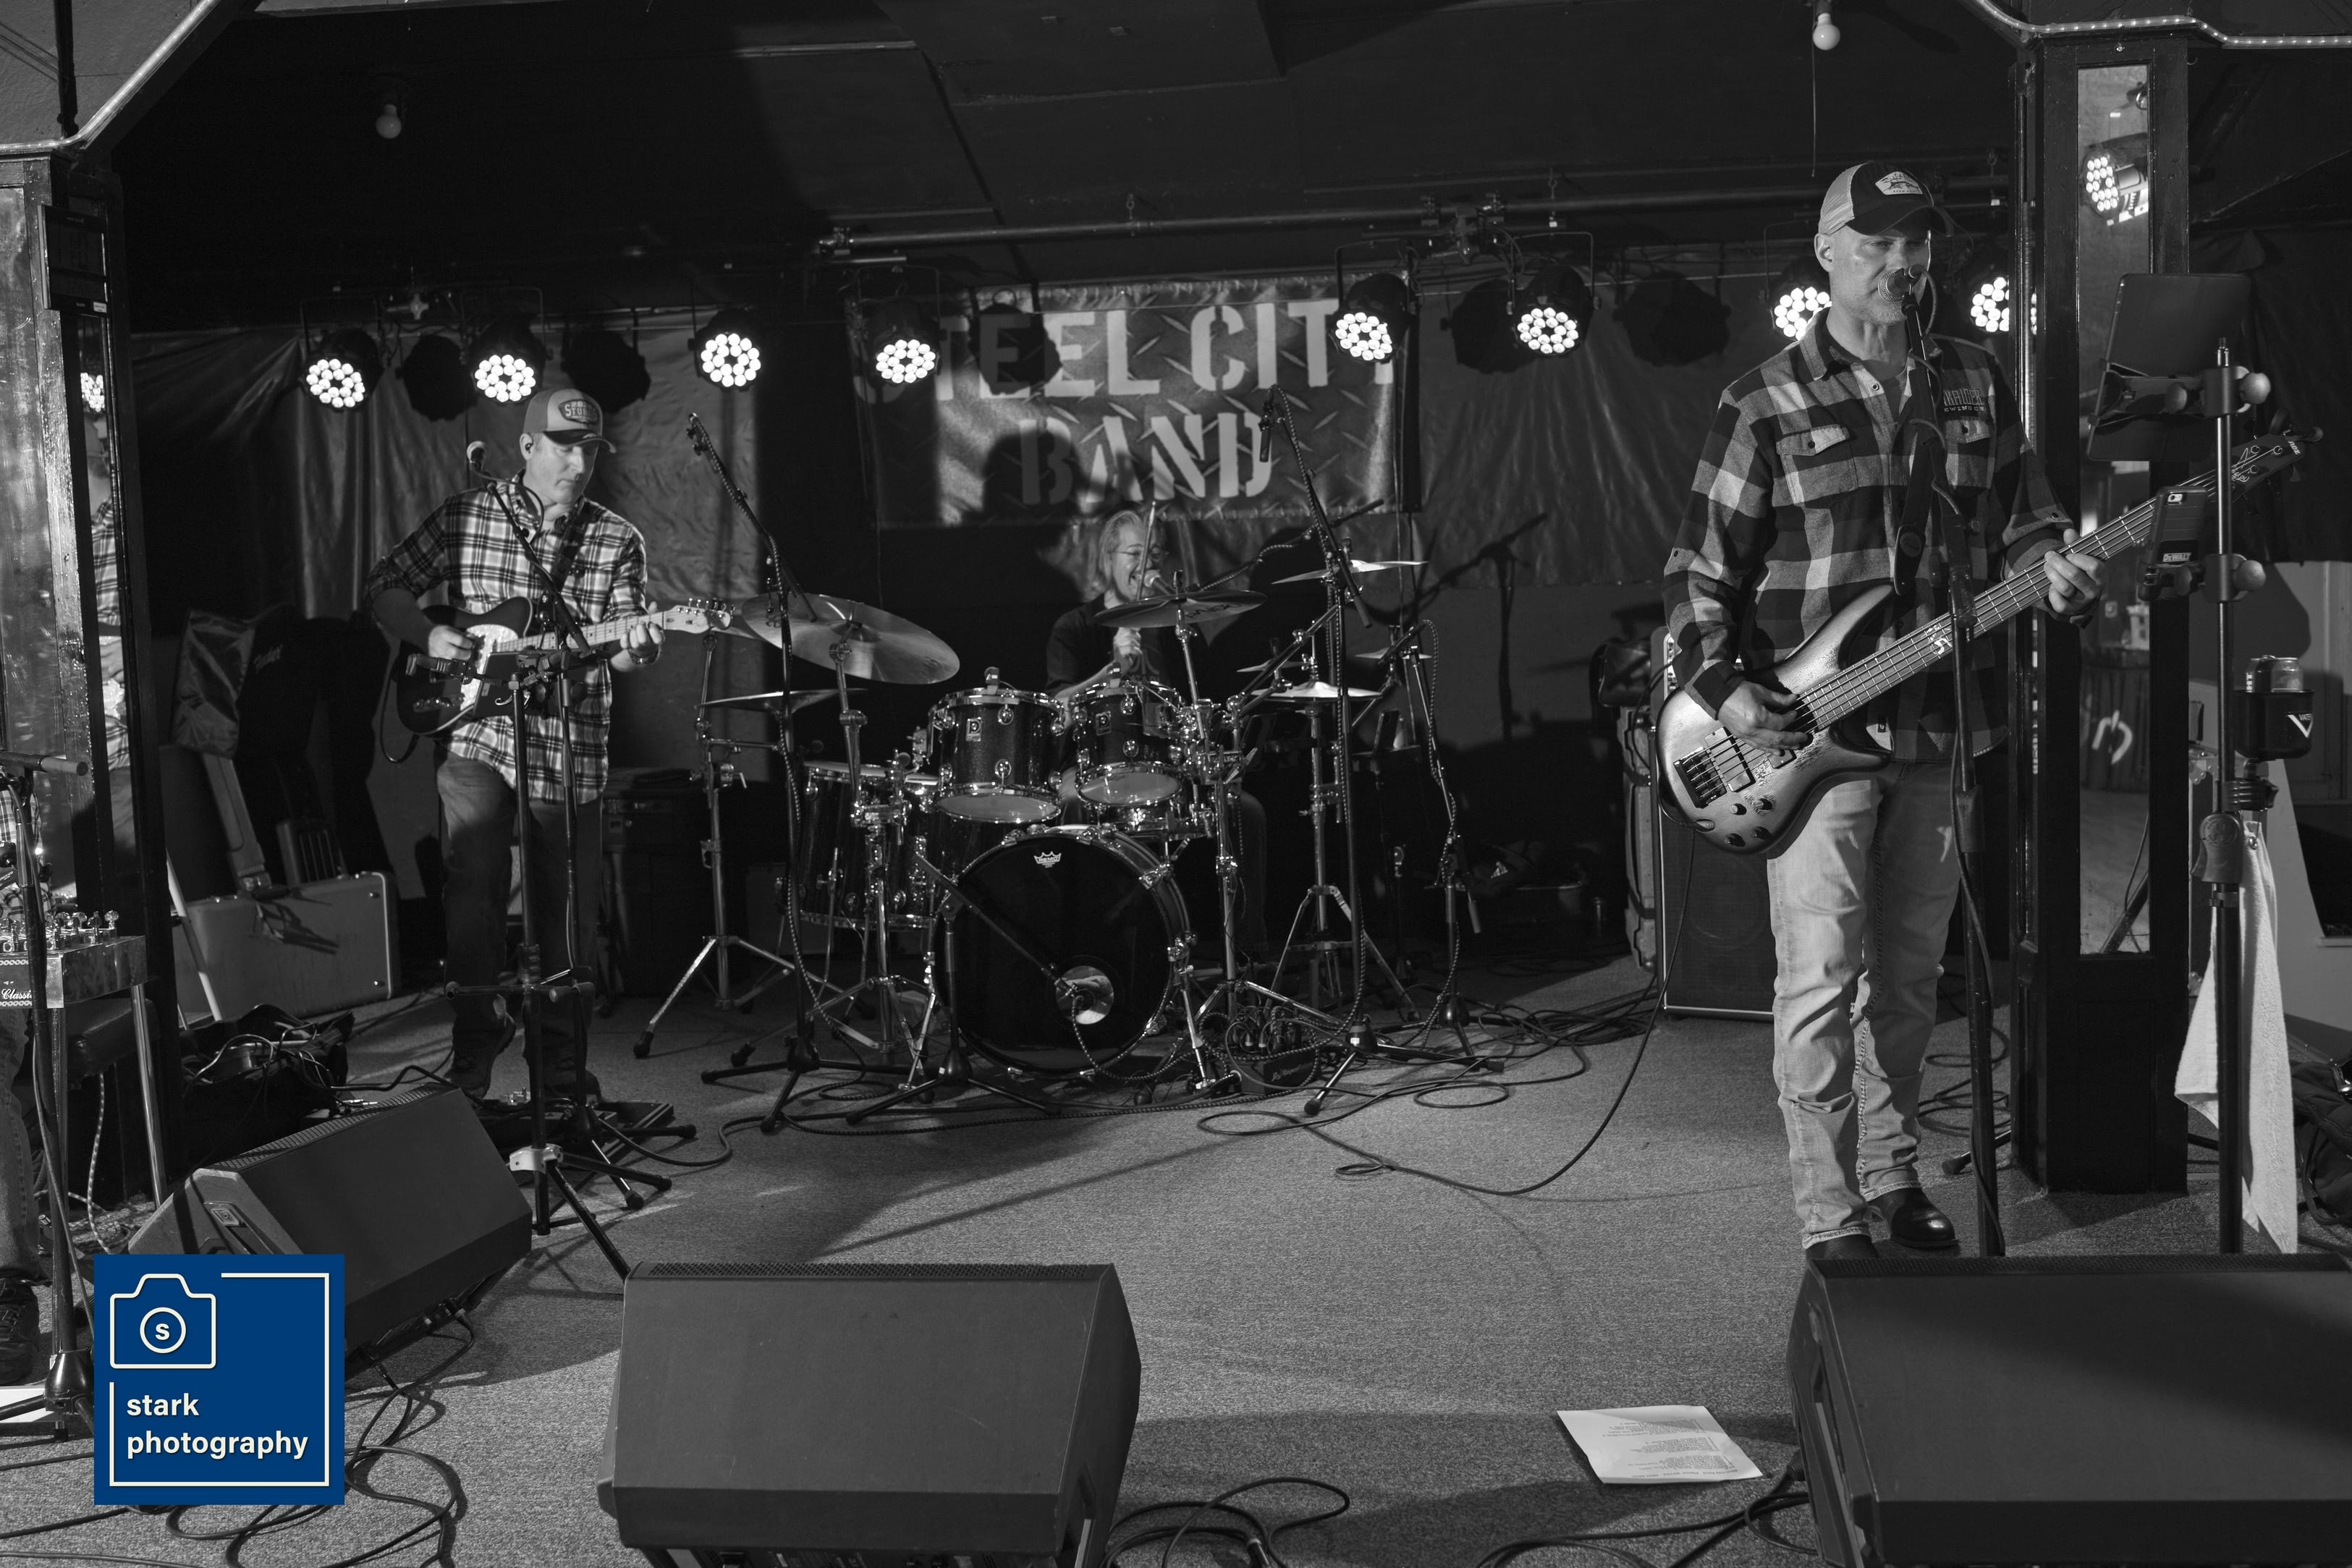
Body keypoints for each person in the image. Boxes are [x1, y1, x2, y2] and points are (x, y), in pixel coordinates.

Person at [1662, 164, 2102, 1263]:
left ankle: (1893, 1173)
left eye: (1915, 242)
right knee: (1820, 977)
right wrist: (1730, 690)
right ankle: (1829, 1211)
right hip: (1814, 740)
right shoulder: (1762, 399)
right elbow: (1699, 574)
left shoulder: (1972, 378)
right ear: (1827, 252)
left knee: (1907, 980)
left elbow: (2025, 519)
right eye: (1877, 242)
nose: (1901, 262)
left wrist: (2050, 567)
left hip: (1945, 723)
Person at [363, 385, 662, 1103]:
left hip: (568, 743)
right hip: (476, 732)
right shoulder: (469, 515)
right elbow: (385, 584)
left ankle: (557, 1067)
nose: (577, 464)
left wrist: (642, 645)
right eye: (564, 448)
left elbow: (624, 649)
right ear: (528, 446)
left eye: (589, 450)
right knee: (471, 893)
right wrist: (429, 633)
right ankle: (476, 1039)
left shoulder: (616, 539)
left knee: (565, 914)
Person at [1047, 510, 1267, 957]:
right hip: (1094, 767)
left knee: (1246, 811)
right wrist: (1111, 670)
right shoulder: (1076, 626)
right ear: (1109, 559)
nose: (1146, 565)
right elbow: (1057, 714)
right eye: (1135, 553)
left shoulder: (1177, 631)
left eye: (1155, 555)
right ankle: (1082, 954)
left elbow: (1205, 704)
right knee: (1070, 803)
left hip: (1173, 768)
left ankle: (1244, 955)